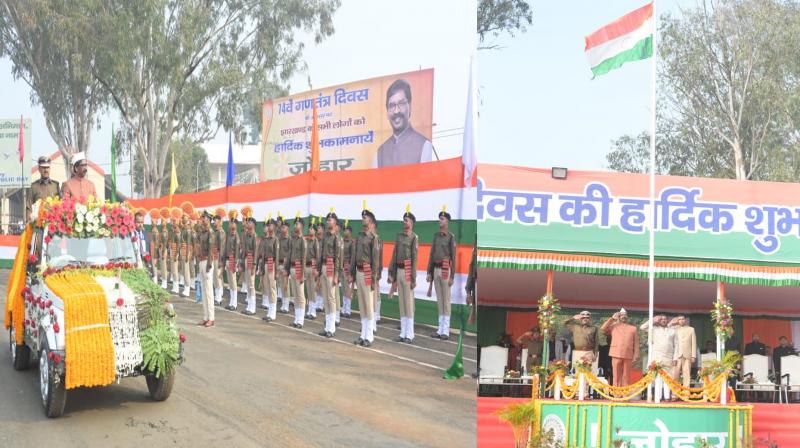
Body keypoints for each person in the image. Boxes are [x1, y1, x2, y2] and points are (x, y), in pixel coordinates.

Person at [374, 79, 433, 168]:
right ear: (387, 112)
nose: (396, 111)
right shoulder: (380, 153)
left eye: (401, 103)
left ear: (410, 106)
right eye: (392, 106)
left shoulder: (424, 145)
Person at [388, 208, 418, 343]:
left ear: (411, 223)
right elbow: (394, 255)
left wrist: (413, 277)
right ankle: (403, 332)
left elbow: (414, 259)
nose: (404, 222)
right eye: (404, 220)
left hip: (407, 270)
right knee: (401, 302)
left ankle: (410, 334)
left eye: (406, 220)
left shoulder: (414, 238)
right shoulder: (399, 236)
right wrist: (391, 274)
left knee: (408, 302)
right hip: (399, 270)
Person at [350, 209, 379, 347]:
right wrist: (352, 273)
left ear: (371, 221)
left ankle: (369, 336)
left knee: (368, 305)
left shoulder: (373, 238)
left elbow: (375, 261)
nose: (363, 219)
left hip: (367, 272)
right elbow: (354, 256)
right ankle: (363, 335)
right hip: (359, 271)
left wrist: (373, 279)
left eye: (365, 217)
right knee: (362, 305)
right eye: (362, 217)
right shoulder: (360, 236)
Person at [427, 208, 456, 340]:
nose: (440, 220)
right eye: (439, 218)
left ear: (447, 221)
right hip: (436, 268)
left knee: (446, 300)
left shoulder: (450, 237)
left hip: (445, 269)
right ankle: (440, 329)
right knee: (439, 300)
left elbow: (453, 258)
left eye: (442, 219)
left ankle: (446, 330)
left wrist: (452, 276)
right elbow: (431, 255)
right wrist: (429, 272)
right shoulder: (435, 236)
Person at [317, 211, 342, 337]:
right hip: (324, 266)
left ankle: (331, 328)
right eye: (327, 220)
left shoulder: (337, 238)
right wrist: (319, 269)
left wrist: (337, 275)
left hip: (332, 267)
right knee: (326, 297)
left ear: (335, 223)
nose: (328, 222)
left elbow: (338, 258)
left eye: (330, 220)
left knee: (331, 298)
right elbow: (321, 253)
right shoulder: (325, 237)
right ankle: (327, 326)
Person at [600, 308, 640, 387]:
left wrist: (636, 355)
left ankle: (625, 394)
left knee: (626, 376)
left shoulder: (633, 328)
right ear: (618, 316)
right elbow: (602, 329)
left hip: (628, 354)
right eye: (621, 315)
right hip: (616, 353)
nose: (623, 317)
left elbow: (636, 343)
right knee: (616, 375)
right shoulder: (613, 326)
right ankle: (616, 394)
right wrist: (612, 319)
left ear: (627, 317)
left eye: (625, 315)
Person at [640, 315, 677, 398]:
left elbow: (676, 345)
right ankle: (658, 397)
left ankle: (667, 397)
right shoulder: (654, 329)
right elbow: (642, 327)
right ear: (659, 321)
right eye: (661, 319)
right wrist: (653, 320)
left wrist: (675, 358)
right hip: (657, 357)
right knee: (657, 378)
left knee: (668, 378)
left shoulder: (673, 330)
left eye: (665, 319)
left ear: (667, 320)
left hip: (668, 357)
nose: (663, 320)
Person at [285, 216, 308, 328]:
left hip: (299, 268)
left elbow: (304, 258)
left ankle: (300, 320)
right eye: (295, 224)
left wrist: (303, 273)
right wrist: (287, 269)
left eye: (297, 224)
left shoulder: (303, 241)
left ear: (302, 227)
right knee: (295, 295)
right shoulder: (292, 240)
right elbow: (289, 255)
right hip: (292, 268)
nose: (295, 226)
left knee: (300, 295)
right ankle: (296, 319)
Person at [258, 216, 279, 322]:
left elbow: (277, 256)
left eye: (270, 225)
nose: (268, 227)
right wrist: (261, 268)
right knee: (267, 287)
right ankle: (269, 311)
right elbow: (262, 255)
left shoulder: (275, 240)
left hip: (272, 264)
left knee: (272, 288)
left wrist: (276, 271)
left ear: (274, 227)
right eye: (267, 225)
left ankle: (273, 312)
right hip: (266, 264)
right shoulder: (266, 240)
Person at [196, 211, 214, 327]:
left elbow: (211, 250)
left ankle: (211, 318)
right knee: (203, 291)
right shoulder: (202, 233)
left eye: (205, 218)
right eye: (202, 218)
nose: (203, 220)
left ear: (209, 220)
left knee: (208, 292)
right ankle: (205, 316)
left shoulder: (210, 233)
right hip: (201, 260)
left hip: (207, 261)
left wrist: (209, 265)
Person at [28, 155, 60, 220]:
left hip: (53, 223)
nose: (46, 170)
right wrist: (30, 222)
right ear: (39, 169)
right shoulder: (34, 186)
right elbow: (29, 207)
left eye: (47, 167)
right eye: (43, 167)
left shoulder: (55, 185)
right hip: (38, 224)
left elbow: (60, 205)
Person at [240, 208, 258, 315]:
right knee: (247, 283)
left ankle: (252, 307)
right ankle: (249, 306)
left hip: (251, 260)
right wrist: (242, 263)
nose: (248, 223)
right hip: (246, 259)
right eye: (248, 221)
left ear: (254, 225)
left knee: (251, 285)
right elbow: (244, 249)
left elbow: (255, 252)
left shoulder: (254, 237)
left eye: (250, 222)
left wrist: (254, 266)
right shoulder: (246, 236)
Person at [672, 315, 697, 388]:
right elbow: (674, 344)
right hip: (677, 355)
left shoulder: (691, 329)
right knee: (675, 375)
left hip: (687, 355)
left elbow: (694, 343)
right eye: (679, 319)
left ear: (685, 320)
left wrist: (693, 356)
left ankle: (686, 393)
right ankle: (675, 394)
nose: (681, 320)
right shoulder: (675, 329)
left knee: (687, 375)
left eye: (683, 319)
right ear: (678, 321)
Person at [224, 210, 241, 311]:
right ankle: (231, 302)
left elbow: (237, 252)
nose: (231, 225)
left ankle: (234, 303)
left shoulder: (236, 237)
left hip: (232, 260)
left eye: (233, 223)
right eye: (231, 223)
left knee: (233, 282)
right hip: (227, 259)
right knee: (230, 282)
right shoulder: (228, 235)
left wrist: (235, 263)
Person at [304, 220, 320, 320]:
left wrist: (316, 269)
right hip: (306, 266)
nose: (310, 230)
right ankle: (309, 309)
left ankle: (313, 311)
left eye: (312, 229)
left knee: (313, 290)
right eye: (309, 228)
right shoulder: (307, 241)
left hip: (313, 267)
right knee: (308, 289)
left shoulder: (316, 242)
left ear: (315, 231)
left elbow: (317, 256)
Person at [211, 208, 227, 306]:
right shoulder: (215, 232)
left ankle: (218, 297)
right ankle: (217, 295)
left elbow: (222, 248)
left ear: (220, 222)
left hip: (218, 257)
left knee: (217, 277)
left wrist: (221, 262)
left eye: (216, 221)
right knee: (215, 277)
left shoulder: (221, 233)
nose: (214, 223)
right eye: (214, 221)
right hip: (214, 256)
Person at [278, 218, 292, 314]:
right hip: (279, 263)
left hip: (285, 264)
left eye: (284, 227)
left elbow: (289, 254)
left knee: (286, 285)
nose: (282, 229)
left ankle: (286, 305)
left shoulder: (289, 240)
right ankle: (283, 303)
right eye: (282, 227)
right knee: (280, 285)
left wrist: (287, 266)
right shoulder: (279, 238)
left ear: (287, 228)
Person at [371, 222, 383, 335]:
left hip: (374, 271)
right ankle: (371, 323)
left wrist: (378, 272)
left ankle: (374, 321)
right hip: (367, 271)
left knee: (375, 297)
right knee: (370, 298)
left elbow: (379, 257)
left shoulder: (377, 239)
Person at [341, 221, 354, 318]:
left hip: (347, 267)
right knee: (343, 288)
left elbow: (352, 256)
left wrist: (350, 267)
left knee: (348, 289)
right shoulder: (341, 241)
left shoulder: (352, 243)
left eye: (347, 230)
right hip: (341, 267)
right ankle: (344, 307)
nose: (345, 232)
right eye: (344, 230)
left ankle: (348, 309)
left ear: (350, 232)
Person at [169, 208, 182, 294]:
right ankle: (174, 286)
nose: (172, 223)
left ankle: (176, 287)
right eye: (172, 221)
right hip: (172, 251)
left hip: (175, 253)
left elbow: (179, 245)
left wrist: (176, 255)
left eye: (174, 221)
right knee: (173, 270)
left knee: (175, 270)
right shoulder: (173, 231)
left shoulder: (177, 233)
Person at [148, 209, 161, 283]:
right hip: (151, 251)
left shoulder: (155, 231)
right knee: (152, 267)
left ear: (156, 223)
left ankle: (155, 281)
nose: (152, 223)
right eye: (151, 222)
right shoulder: (152, 230)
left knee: (154, 267)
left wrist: (156, 257)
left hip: (154, 252)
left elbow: (156, 244)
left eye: (153, 222)